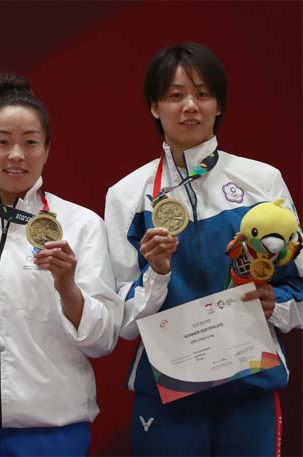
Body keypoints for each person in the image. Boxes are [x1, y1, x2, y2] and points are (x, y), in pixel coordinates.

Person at [104, 42, 303, 455]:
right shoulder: (127, 195)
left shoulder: (262, 182)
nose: (189, 106)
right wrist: (156, 273)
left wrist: (274, 305)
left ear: (219, 105)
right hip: (168, 389)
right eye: (175, 95)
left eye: (203, 94)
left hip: (249, 382)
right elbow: (119, 319)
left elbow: (297, 286)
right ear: (154, 107)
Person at [0, 75, 123, 456]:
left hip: (54, 432)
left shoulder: (80, 224)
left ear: (47, 150)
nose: (16, 155)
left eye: (29, 142)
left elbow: (103, 340)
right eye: (2, 142)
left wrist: (67, 286)